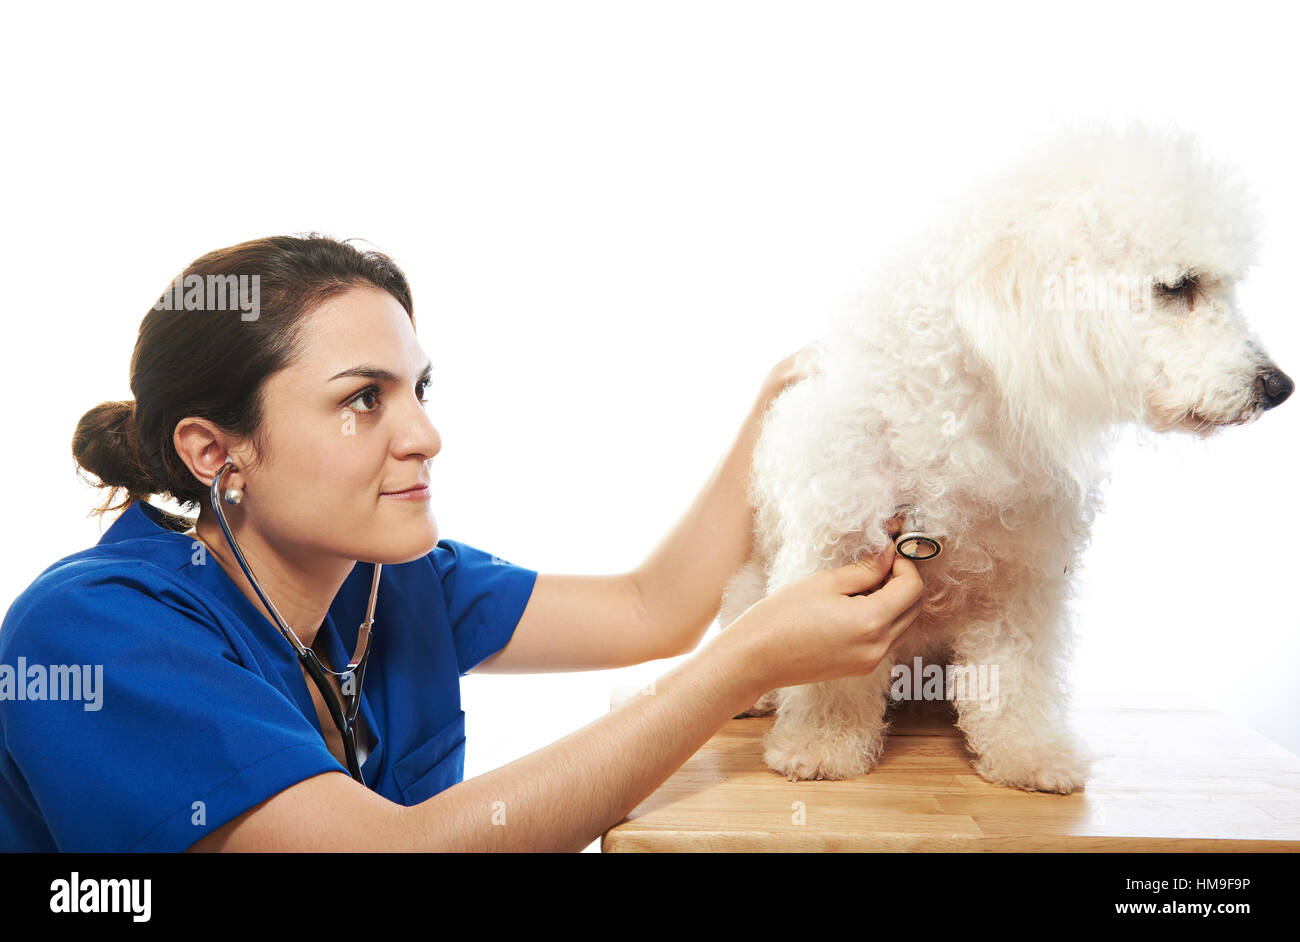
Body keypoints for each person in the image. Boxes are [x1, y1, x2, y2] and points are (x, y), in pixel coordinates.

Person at [0, 234, 925, 852]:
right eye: (364, 399)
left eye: (418, 391)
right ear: (216, 452)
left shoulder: (386, 583)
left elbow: (654, 608)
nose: (424, 436)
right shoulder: (92, 633)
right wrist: (746, 664)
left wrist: (780, 399)